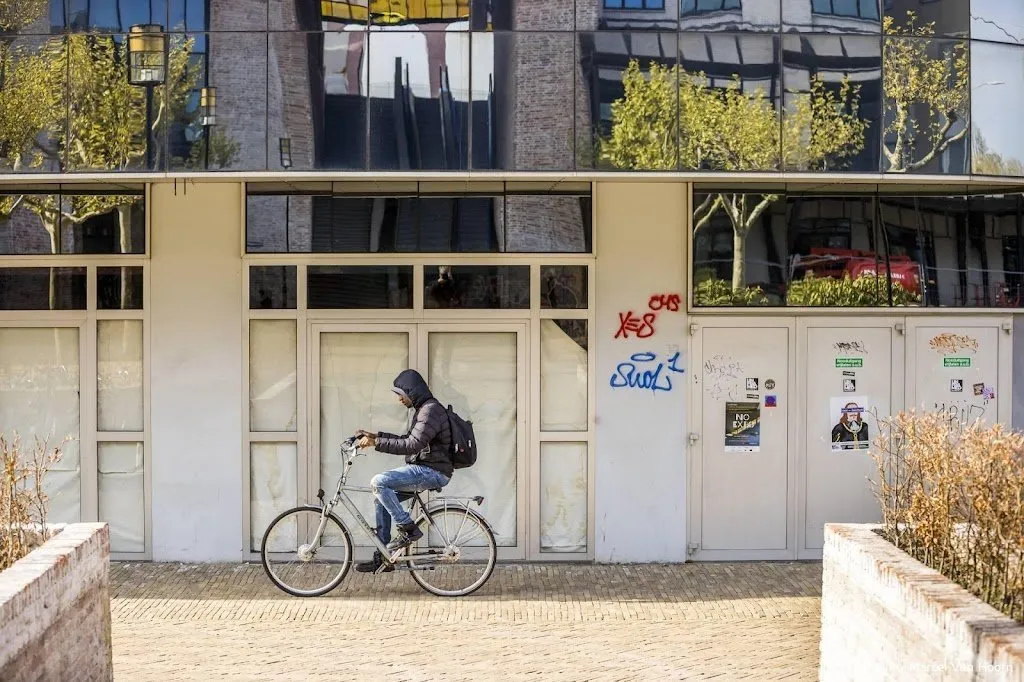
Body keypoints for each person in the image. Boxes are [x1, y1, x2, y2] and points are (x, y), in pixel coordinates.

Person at [353, 368, 452, 574]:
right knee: (381, 496)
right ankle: (384, 557)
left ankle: (408, 529)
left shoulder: (430, 410)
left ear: (411, 392)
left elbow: (411, 446)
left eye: (400, 394)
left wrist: (375, 442)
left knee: (379, 482)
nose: (399, 399)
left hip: (431, 471)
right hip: (425, 468)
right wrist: (375, 435)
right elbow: (408, 439)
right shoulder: (424, 409)